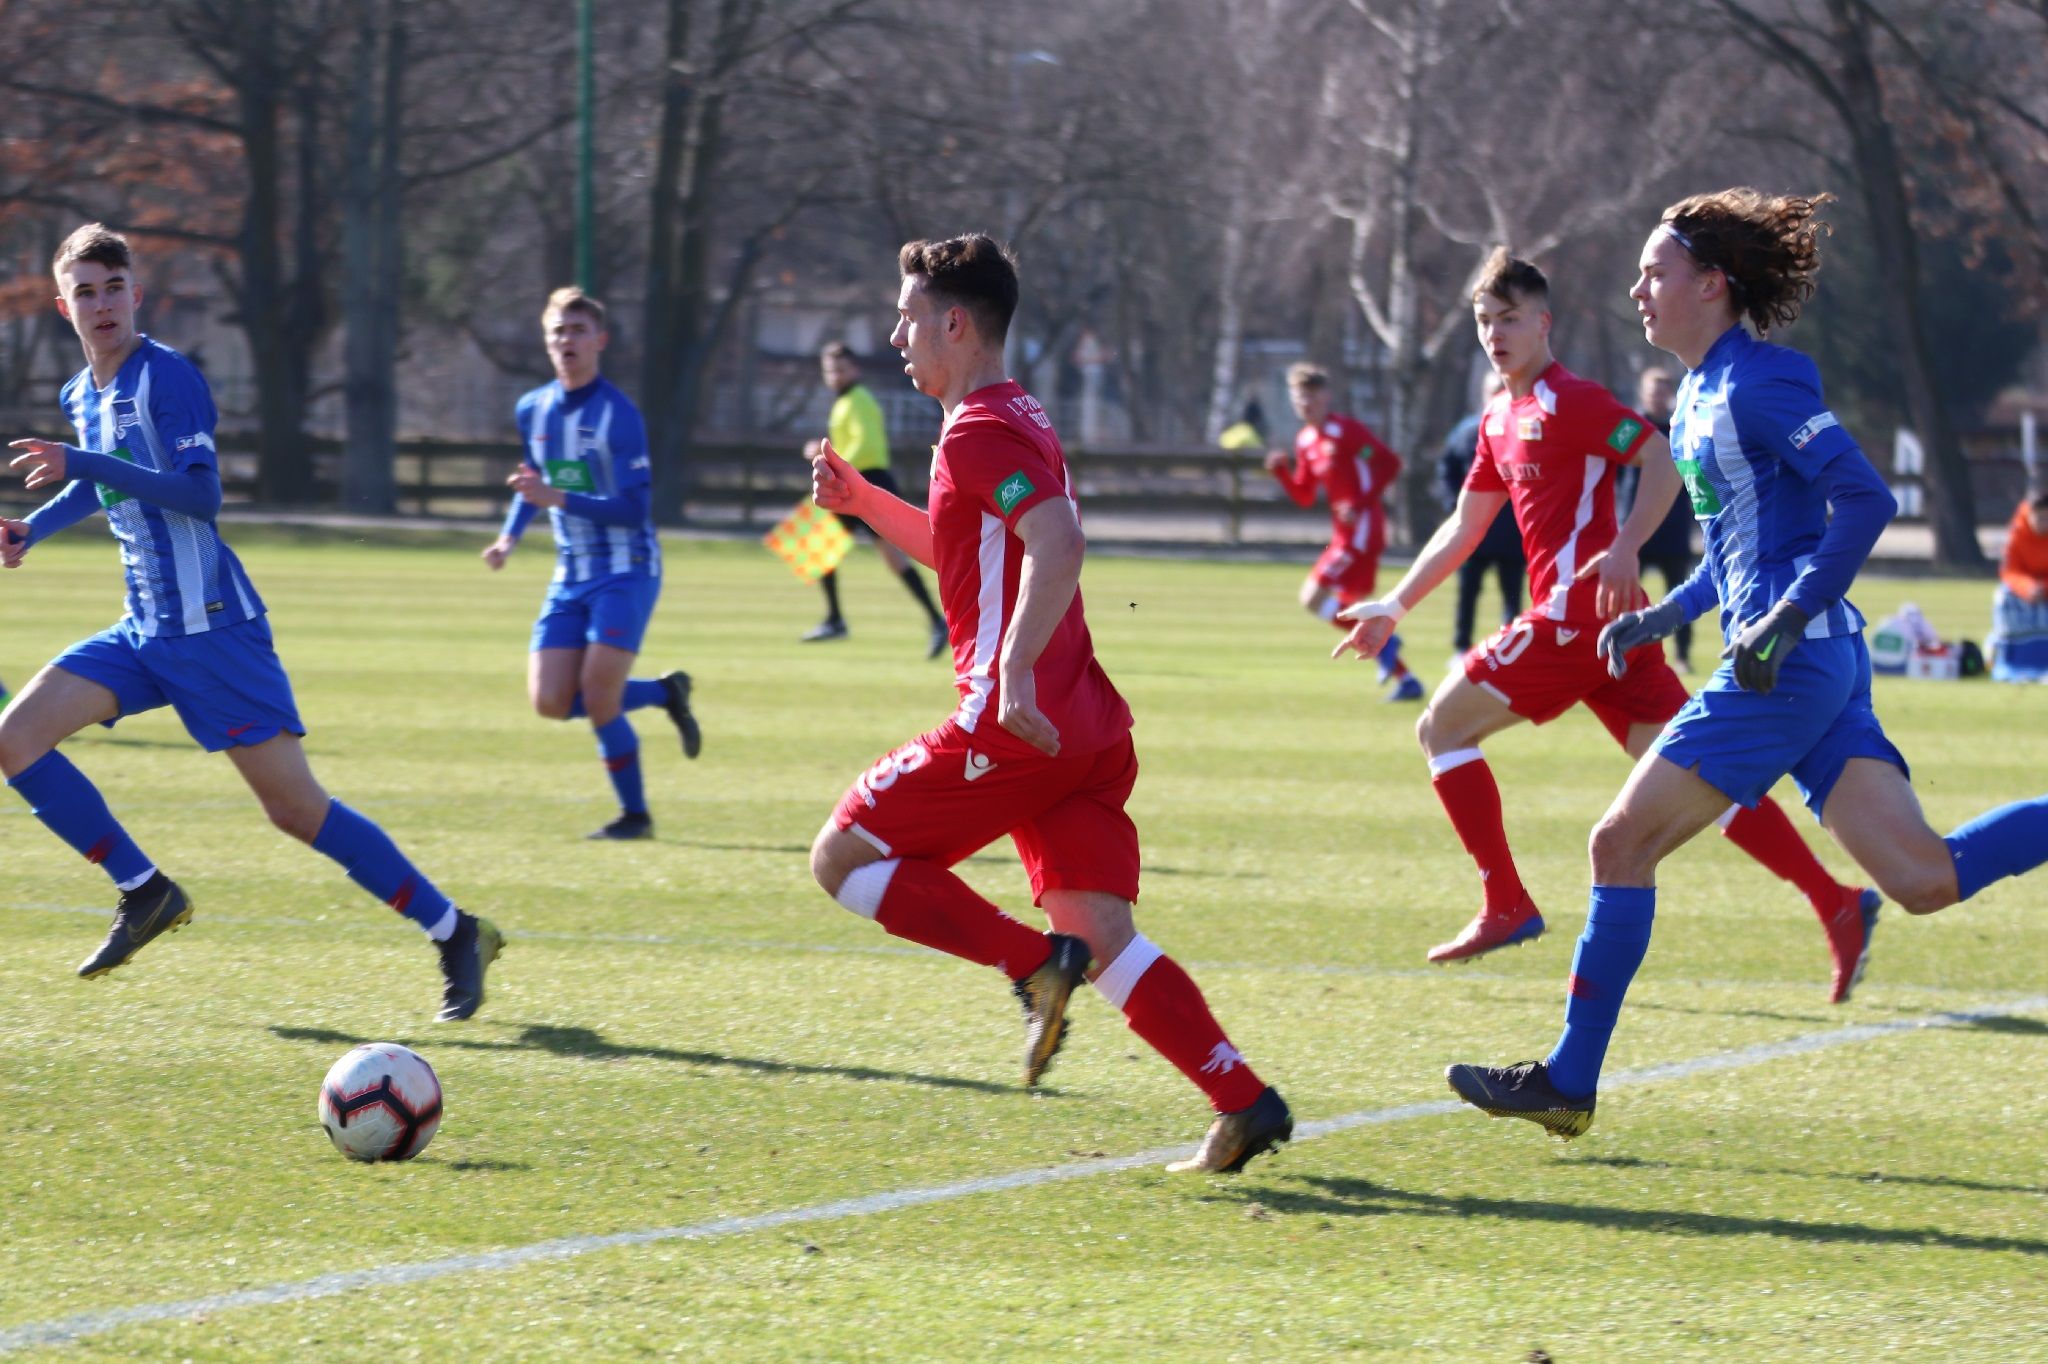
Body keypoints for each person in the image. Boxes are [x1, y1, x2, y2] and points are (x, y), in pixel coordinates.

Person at [1444, 189, 2048, 1139]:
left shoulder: (1760, 385)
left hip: (1790, 664)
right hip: (1821, 659)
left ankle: (1567, 1077)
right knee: (1925, 880)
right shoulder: (1694, 397)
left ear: (1712, 284)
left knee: (1618, 844)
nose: (1639, 288)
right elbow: (1741, 552)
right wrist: (1668, 617)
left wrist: (1779, 621)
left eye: (1656, 272)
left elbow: (1864, 500)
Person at [807, 234, 1291, 1173]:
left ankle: (1029, 964)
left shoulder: (982, 429)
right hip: (1080, 729)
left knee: (842, 855)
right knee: (1102, 935)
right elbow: (973, 549)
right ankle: (1246, 1100)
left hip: (1013, 722)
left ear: (955, 322)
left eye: (908, 317)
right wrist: (866, 501)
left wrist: (1015, 670)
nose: (896, 334)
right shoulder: (1006, 413)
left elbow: (1058, 540)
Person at [1335, 248, 1876, 990]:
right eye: (1486, 322)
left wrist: (1626, 546)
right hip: (1607, 633)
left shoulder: (1572, 400)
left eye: (1512, 319)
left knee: (1441, 727)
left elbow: (1656, 456)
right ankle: (1837, 901)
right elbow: (1465, 524)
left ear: (1544, 323)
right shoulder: (1498, 417)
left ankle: (1505, 901)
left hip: (1577, 616)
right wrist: (1394, 605)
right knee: (1705, 776)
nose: (1497, 334)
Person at [0, 223, 501, 1019]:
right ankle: (146, 891)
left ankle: (453, 929)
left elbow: (201, 495)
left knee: (295, 811)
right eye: (84, 293)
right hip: (143, 632)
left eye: (113, 288)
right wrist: (36, 528)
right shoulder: (79, 393)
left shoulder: (170, 379)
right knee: (15, 738)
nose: (101, 305)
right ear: (62, 307)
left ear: (138, 294)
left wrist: (85, 463)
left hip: (216, 633)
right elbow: (101, 488)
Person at [482, 286, 701, 842]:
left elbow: (635, 509)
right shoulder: (532, 408)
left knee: (600, 697)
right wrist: (508, 539)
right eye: (558, 331)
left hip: (627, 570)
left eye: (578, 330)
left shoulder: (619, 417)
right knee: (551, 702)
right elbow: (531, 484)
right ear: (546, 340)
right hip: (570, 574)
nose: (567, 340)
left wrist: (559, 499)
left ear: (600, 340)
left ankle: (636, 817)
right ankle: (663, 693)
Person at [1266, 363, 1421, 700]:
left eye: (1311, 396)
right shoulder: (1306, 440)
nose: (1305, 404)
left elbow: (1389, 462)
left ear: (1326, 397)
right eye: (1299, 397)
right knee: (1352, 609)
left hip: (1362, 532)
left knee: (1313, 597)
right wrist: (1282, 473)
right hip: (1346, 535)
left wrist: (1358, 502)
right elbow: (1306, 496)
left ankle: (1389, 646)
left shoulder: (1346, 433)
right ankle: (1406, 679)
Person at [799, 341, 948, 658]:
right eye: (830, 370)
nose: (835, 376)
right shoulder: (845, 402)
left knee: (823, 547)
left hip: (865, 481)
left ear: (855, 369)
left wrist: (832, 465)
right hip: (859, 482)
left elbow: (864, 446)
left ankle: (837, 620)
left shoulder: (859, 400)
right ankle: (934, 622)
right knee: (824, 548)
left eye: (841, 369)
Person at [1436, 370, 1525, 658]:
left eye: (1503, 388)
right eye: (1493, 389)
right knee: (1468, 592)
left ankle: (1508, 649)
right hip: (1475, 532)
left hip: (1512, 531)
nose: (1498, 394)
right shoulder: (1466, 432)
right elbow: (1447, 470)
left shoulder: (1527, 429)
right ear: (1483, 394)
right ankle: (1462, 648)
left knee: (1512, 594)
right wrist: (1456, 506)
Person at [1616, 366, 1698, 670]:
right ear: (1643, 393)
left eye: (1664, 391)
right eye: (1653, 390)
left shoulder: (1682, 429)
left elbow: (1693, 477)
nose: (1658, 396)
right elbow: (1612, 468)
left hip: (1673, 530)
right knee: (1623, 598)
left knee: (1681, 597)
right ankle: (1622, 651)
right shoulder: (1628, 428)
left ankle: (1682, 656)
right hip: (1635, 531)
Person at [1988, 492, 2048, 680]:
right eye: (2038, 517)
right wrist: (2028, 588)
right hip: (2026, 589)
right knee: (2003, 598)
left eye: (2047, 518)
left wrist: (2044, 588)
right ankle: (2013, 659)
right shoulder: (2016, 535)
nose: (2042, 523)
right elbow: (2009, 572)